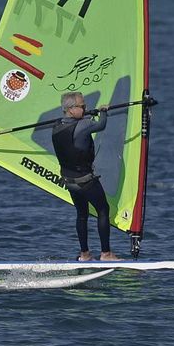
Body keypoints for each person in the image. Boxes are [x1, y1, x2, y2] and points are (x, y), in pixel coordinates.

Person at [52, 91, 118, 261]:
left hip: (69, 182)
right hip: (85, 181)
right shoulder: (83, 125)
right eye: (82, 106)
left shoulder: (57, 125)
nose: (85, 108)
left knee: (82, 214)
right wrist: (103, 111)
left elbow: (76, 126)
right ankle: (106, 254)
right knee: (103, 210)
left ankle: (85, 254)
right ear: (71, 109)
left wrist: (87, 115)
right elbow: (101, 125)